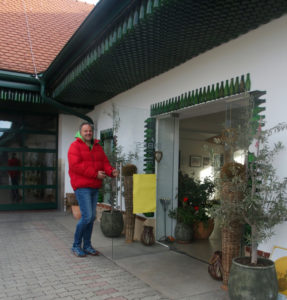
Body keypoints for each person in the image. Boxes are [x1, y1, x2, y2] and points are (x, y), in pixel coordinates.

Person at [68, 122, 118, 257]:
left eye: (90, 131)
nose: (88, 133)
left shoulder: (97, 146)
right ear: (80, 132)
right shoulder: (75, 146)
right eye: (85, 131)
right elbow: (75, 166)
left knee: (91, 217)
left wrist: (111, 171)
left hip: (94, 186)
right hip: (82, 186)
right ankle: (76, 245)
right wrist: (95, 174)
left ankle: (88, 245)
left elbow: (104, 163)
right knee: (87, 217)